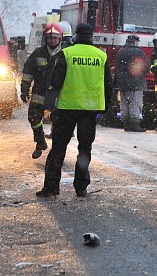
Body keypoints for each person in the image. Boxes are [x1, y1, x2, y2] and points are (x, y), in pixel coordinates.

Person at [36, 23, 112, 197]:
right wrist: (106, 107)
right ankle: (81, 187)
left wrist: (49, 105)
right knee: (84, 149)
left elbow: (56, 82)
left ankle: (51, 188)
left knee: (58, 148)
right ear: (92, 37)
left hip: (67, 108)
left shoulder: (67, 53)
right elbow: (108, 84)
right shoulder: (101, 56)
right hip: (90, 110)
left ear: (76, 36)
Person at [20, 23, 63, 159]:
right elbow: (28, 72)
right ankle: (40, 142)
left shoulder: (65, 54)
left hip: (57, 94)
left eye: (56, 38)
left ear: (60, 38)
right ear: (45, 38)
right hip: (39, 92)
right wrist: (24, 90)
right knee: (33, 118)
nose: (53, 40)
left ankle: (57, 149)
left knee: (59, 122)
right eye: (50, 38)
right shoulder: (38, 53)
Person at [116, 34, 149, 132]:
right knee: (135, 103)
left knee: (124, 103)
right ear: (135, 42)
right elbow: (145, 66)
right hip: (136, 82)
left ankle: (125, 123)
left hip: (122, 82)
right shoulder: (138, 51)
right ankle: (134, 124)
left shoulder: (121, 51)